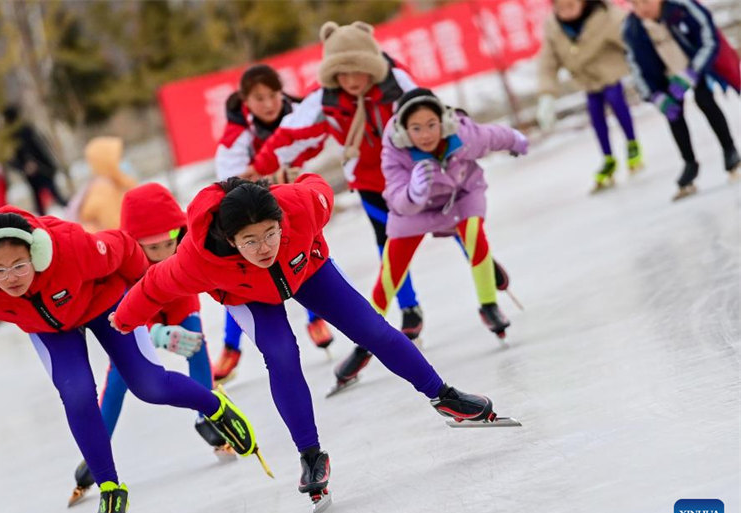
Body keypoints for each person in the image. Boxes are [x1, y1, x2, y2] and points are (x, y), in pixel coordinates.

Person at [109, 173, 502, 510]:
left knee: (373, 330)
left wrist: (298, 177)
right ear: (230, 241)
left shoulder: (302, 206)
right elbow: (152, 287)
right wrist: (123, 319)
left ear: (281, 222)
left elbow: (317, 186)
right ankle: (311, 456)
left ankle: (444, 396)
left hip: (309, 270)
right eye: (250, 241)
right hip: (246, 295)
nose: (264, 248)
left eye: (270, 234)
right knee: (281, 356)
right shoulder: (197, 259)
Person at [0, 206, 260, 513]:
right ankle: (110, 487)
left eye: (19, 265)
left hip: (102, 301)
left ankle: (215, 405)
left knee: (148, 384)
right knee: (76, 395)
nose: (10, 277)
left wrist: (152, 298)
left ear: (38, 255)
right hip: (48, 329)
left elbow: (124, 247)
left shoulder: (74, 249)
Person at [243, 22, 512, 382]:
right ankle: (409, 309)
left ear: (372, 65)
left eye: (358, 70)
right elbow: (289, 137)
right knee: (391, 247)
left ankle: (487, 295)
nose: (352, 80)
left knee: (463, 229)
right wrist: (256, 170)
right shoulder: (323, 98)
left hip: (417, 176)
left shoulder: (397, 84)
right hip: (371, 184)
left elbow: (435, 118)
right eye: (342, 72)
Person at [335, 89, 529, 386]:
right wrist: (413, 192)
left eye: (431, 125)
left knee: (474, 232)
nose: (425, 134)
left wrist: (516, 140)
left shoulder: (463, 134)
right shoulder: (394, 151)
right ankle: (365, 341)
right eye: (416, 128)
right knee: (392, 269)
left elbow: (493, 136)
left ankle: (489, 305)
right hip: (414, 211)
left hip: (460, 196)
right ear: (403, 129)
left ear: (443, 122)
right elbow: (397, 198)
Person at [68, 182, 233, 506]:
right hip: (136, 305)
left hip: (176, 296)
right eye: (151, 249)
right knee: (119, 377)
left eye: (169, 243)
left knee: (196, 344)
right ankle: (96, 451)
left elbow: (191, 307)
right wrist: (156, 335)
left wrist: (184, 330)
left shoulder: (185, 253)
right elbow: (123, 317)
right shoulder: (122, 264)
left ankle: (207, 418)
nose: (162, 254)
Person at [213, 64, 333, 382]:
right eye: (259, 98)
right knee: (239, 279)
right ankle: (231, 347)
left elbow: (318, 143)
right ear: (245, 101)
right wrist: (273, 177)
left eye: (272, 95)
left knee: (308, 251)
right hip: (252, 213)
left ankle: (316, 316)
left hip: (291, 201)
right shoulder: (235, 136)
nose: (268, 104)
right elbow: (229, 184)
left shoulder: (297, 112)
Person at [624, 0, 740, 200]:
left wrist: (693, 72)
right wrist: (656, 96)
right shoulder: (632, 29)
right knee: (674, 115)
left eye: (645, 1)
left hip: (696, 65)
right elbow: (636, 68)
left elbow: (708, 35)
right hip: (667, 78)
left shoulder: (682, 7)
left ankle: (730, 151)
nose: (642, 8)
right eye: (635, 4)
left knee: (705, 100)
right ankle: (689, 164)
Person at [537, 0, 643, 191]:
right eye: (560, 9)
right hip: (587, 81)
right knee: (596, 116)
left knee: (616, 102)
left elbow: (631, 36)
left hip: (609, 72)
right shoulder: (554, 27)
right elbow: (548, 62)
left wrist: (644, 66)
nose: (566, 12)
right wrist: (547, 94)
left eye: (570, 6)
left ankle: (632, 143)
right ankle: (608, 157)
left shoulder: (604, 16)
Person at [3, 106, 69, 215]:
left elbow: (39, 148)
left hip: (42, 169)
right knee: (42, 201)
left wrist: (35, 164)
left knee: (54, 196)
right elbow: (11, 159)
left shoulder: (25, 131)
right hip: (34, 172)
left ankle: (71, 212)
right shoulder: (15, 135)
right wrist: (24, 167)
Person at [66, 136, 136, 232]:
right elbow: (116, 225)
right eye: (118, 158)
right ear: (106, 162)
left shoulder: (111, 184)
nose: (121, 161)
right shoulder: (103, 189)